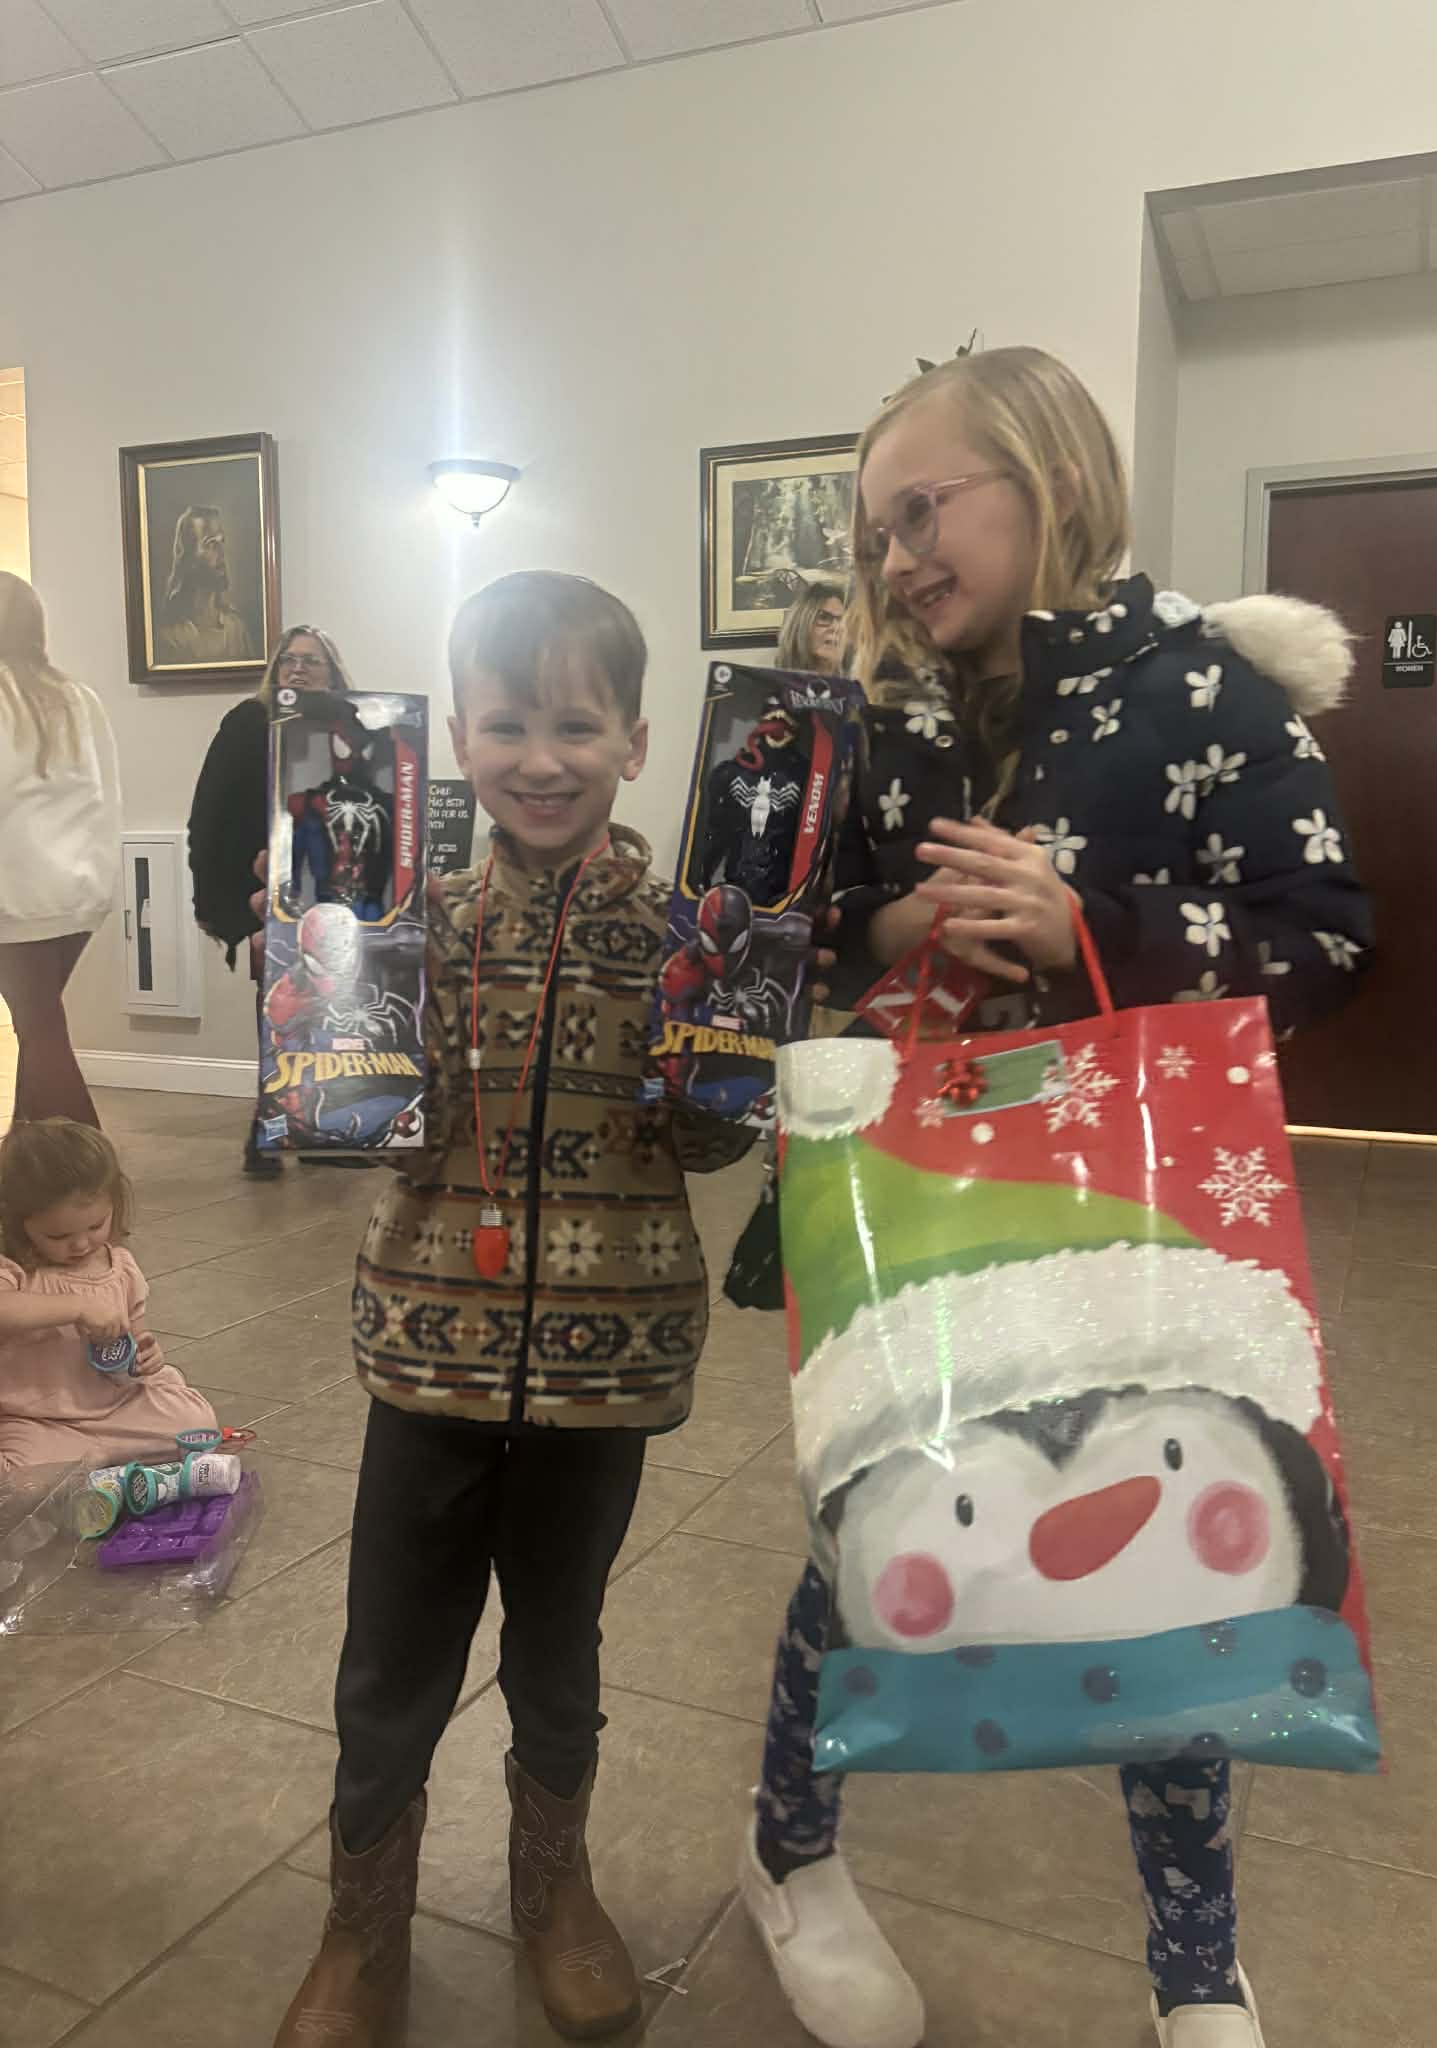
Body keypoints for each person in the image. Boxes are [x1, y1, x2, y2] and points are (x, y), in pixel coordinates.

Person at [738, 345, 1373, 2048]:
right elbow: (775, 931)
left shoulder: (1209, 693)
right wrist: (898, 927)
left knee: (1167, 1559)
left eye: (921, 511)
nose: (894, 560)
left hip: (1136, 1210)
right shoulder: (869, 724)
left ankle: (1196, 1955)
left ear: (1056, 483)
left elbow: (1326, 937)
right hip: (914, 1212)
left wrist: (1094, 928)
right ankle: (789, 1849)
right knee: (866, 1527)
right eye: (873, 534)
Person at [271, 571, 753, 2047]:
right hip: (428, 1348)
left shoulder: (689, 932)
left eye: (577, 726)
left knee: (559, 1644)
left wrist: (735, 1045)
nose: (542, 758)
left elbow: (712, 1141)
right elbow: (348, 1118)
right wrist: (324, 1015)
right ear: (456, 742)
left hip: (609, 1361)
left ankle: (555, 1888)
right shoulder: (402, 923)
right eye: (507, 725)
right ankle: (363, 1924)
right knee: (389, 1660)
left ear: (637, 742)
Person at [187, 624, 355, 1176]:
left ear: (333, 674)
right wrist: (218, 903)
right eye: (288, 659)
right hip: (268, 889)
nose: (298, 669)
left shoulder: (353, 727)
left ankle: (319, 1130)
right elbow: (209, 815)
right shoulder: (247, 723)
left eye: (311, 661)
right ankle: (269, 1133)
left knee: (331, 1008)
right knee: (281, 1010)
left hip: (337, 891)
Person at [0, 1119, 217, 1472]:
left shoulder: (120, 1267)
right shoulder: (14, 1270)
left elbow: (136, 1336)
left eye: (95, 1225)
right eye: (58, 1236)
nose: (81, 1244)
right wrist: (75, 1306)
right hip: (38, 1420)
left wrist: (147, 1356)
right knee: (17, 1476)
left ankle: (89, 1463)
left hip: (116, 1405)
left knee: (195, 1422)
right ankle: (95, 1462)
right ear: (18, 1223)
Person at [0, 572, 121, 1129]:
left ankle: (88, 1171)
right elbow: (105, 795)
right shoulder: (78, 699)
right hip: (77, 894)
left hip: (14, 897)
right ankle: (24, 1159)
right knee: (39, 1025)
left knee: (40, 1029)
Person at [156, 506, 254, 664]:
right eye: (211, 544)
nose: (222, 553)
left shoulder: (236, 629)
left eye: (221, 542)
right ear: (189, 558)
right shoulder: (171, 636)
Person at [776, 579, 847, 674]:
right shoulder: (773, 682)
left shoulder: (858, 682)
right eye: (824, 617)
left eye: (843, 620)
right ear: (800, 626)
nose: (837, 627)